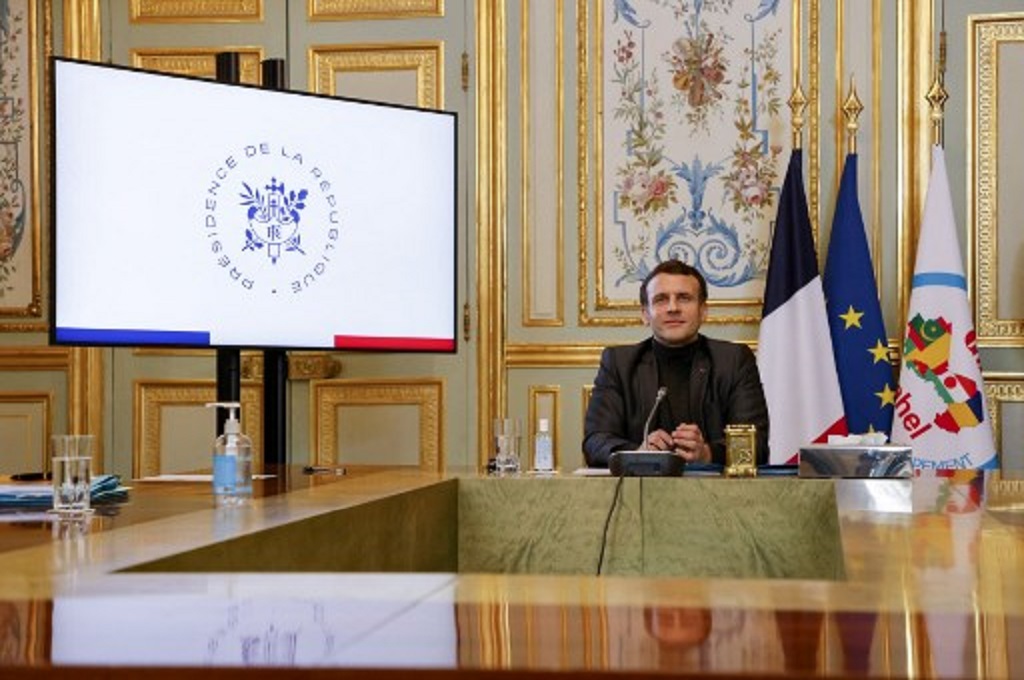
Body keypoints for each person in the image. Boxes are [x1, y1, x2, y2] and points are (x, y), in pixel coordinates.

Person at [583, 259, 769, 467]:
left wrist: (706, 453)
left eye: (684, 298)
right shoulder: (619, 363)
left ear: (703, 311)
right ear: (645, 313)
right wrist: (638, 452)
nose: (673, 308)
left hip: (717, 494)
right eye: (661, 299)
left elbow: (757, 445)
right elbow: (595, 442)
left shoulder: (734, 360)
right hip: (640, 493)